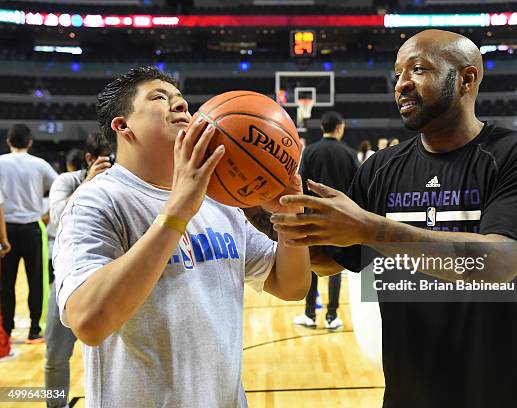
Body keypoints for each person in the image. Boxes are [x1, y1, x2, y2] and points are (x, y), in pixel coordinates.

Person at [271, 30, 517, 407]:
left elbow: (499, 262)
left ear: (467, 79)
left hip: (505, 388)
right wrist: (266, 212)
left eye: (419, 70)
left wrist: (370, 228)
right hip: (412, 391)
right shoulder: (380, 169)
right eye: (398, 74)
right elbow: (329, 261)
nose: (402, 84)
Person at [52, 67, 310, 407]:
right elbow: (88, 321)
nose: (181, 107)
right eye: (160, 98)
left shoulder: (220, 201)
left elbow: (290, 285)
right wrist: (178, 211)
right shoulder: (97, 200)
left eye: (183, 103)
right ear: (122, 125)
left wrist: (289, 217)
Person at [45, 134, 113, 408]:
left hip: (108, 281)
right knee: (56, 355)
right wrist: (88, 184)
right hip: (68, 281)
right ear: (89, 159)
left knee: (111, 357)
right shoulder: (67, 181)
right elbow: (57, 219)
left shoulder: (120, 183)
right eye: (106, 158)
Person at [293, 111, 358, 330]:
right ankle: (331, 316)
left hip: (313, 218)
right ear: (340, 127)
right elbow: (357, 189)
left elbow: (300, 186)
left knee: (312, 264)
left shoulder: (310, 152)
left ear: (322, 127)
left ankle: (310, 314)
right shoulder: (349, 153)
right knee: (337, 266)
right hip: (340, 220)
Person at [0, 124, 58, 343]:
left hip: (6, 229)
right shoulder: (39, 164)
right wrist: (49, 213)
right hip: (34, 229)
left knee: (6, 283)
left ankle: (6, 329)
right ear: (30, 142)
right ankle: (35, 329)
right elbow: (59, 186)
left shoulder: (0, 162)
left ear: (8, 141)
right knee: (37, 281)